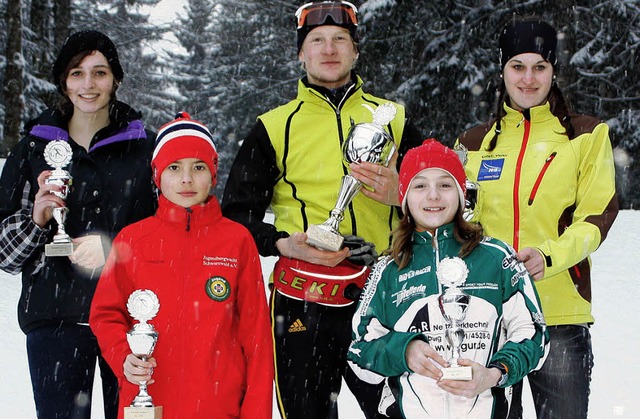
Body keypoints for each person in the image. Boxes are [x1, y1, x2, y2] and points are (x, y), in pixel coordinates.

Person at [221, 2, 423, 417]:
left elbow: (450, 198)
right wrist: (284, 244)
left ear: (356, 51)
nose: (328, 50)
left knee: (404, 411)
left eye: (339, 40)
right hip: (304, 298)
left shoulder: (394, 119)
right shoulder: (273, 126)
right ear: (301, 52)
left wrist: (402, 195)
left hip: (385, 291)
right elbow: (235, 217)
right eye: (317, 41)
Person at [455, 17, 619, 419]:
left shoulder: (585, 135)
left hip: (558, 312)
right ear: (502, 69)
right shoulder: (473, 143)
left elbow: (595, 217)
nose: (528, 79)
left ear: (553, 71)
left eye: (539, 67)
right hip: (486, 316)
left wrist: (548, 257)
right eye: (517, 66)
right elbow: (453, 216)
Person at [0, 30, 156, 419]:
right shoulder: (34, 148)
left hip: (131, 318)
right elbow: (4, 251)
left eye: (99, 73)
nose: (88, 85)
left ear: (115, 79)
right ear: (63, 82)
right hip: (54, 318)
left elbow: (167, 235)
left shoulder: (144, 148)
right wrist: (36, 220)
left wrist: (115, 249)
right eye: (77, 73)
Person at [347, 139, 549, 418]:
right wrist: (404, 351)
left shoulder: (497, 257)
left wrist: (494, 374)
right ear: (404, 196)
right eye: (420, 186)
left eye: (444, 184)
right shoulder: (388, 269)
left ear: (461, 193)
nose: (433, 196)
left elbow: (535, 335)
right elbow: (360, 353)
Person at [89, 113, 274, 419]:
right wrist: (124, 356)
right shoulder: (132, 240)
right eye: (174, 168)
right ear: (156, 175)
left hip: (219, 407)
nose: (186, 179)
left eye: (198, 167)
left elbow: (256, 339)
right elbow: (105, 314)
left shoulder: (237, 240)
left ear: (213, 174)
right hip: (149, 403)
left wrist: (255, 412)